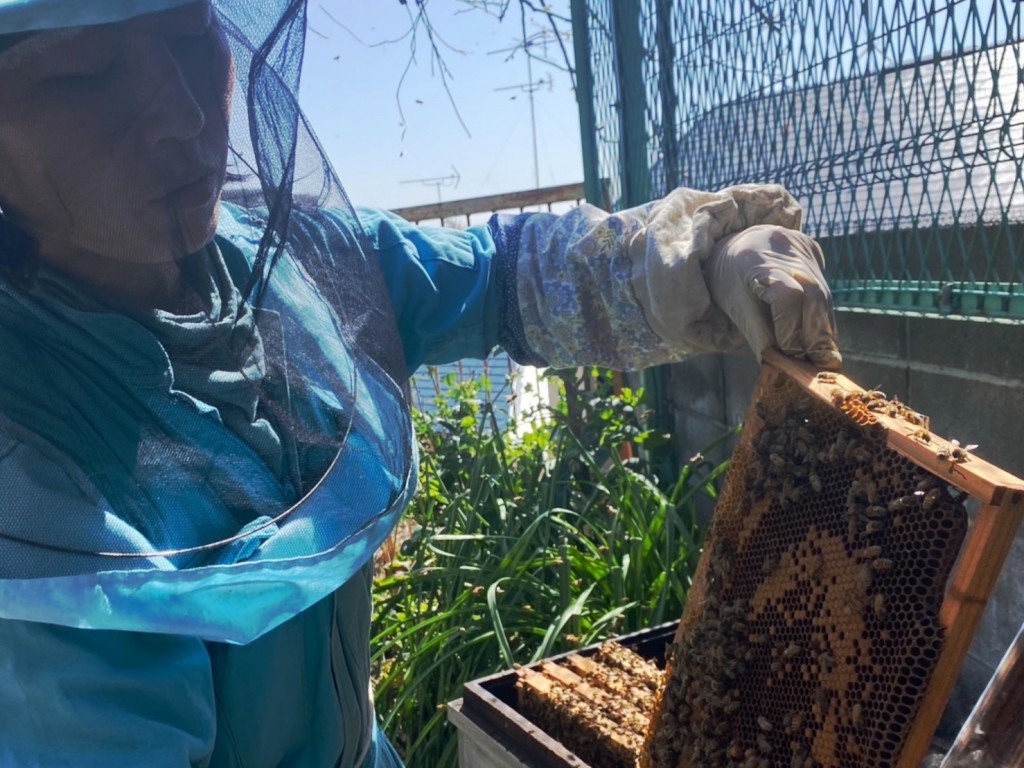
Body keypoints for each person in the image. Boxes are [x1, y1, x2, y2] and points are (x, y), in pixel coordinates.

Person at [0, 1, 841, 766]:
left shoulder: (295, 260)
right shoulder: (30, 482)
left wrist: (703, 260)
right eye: (86, 74)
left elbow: (504, 276)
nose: (181, 116)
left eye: (189, 40)